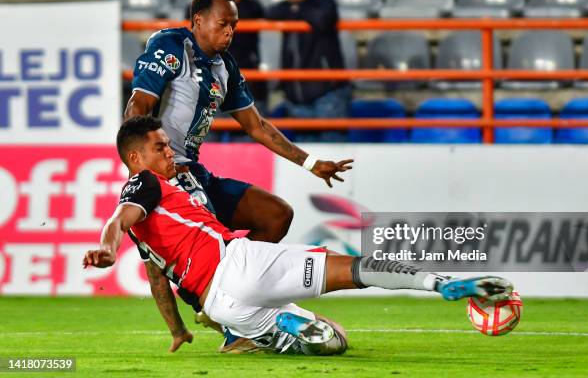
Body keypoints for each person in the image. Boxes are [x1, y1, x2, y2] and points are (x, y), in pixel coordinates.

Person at [83, 116, 514, 355]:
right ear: (136, 157)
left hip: (221, 306)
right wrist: (105, 248)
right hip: (238, 261)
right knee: (358, 269)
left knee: (334, 341)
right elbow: (117, 219)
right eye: (160, 146)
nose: (169, 150)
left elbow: (155, 275)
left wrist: (177, 330)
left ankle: (283, 327)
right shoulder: (144, 184)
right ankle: (440, 283)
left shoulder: (152, 213)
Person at [125, 0, 353, 351]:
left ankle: (239, 294)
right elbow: (139, 105)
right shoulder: (170, 47)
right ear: (198, 21)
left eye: (235, 25)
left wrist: (310, 163)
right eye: (223, 24)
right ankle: (231, 324)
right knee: (202, 251)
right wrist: (146, 172)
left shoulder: (225, 65)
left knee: (276, 215)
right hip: (169, 176)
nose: (230, 32)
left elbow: (256, 126)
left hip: (195, 171)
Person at [267, 0, 352, 142]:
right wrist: (296, 9)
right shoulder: (288, 6)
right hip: (296, 97)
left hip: (328, 94)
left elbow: (320, 19)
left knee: (333, 156)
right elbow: (270, 13)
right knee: (308, 161)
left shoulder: (325, 2)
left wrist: (296, 9)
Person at [213, 0, 268, 117]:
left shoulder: (253, 7)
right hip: (213, 80)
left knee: (252, 132)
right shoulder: (201, 7)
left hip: (247, 79)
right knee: (208, 132)